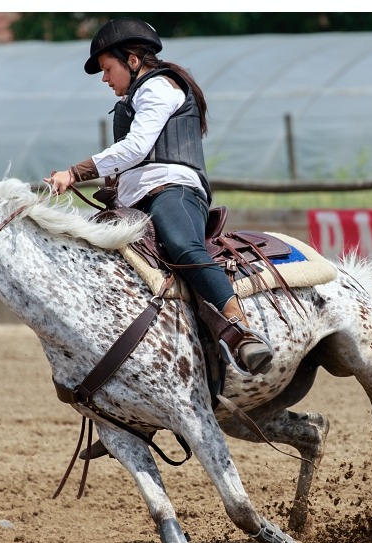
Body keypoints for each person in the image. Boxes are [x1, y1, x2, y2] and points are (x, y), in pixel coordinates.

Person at [45, 17, 272, 377]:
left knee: (182, 245)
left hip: (174, 191)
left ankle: (240, 327)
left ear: (133, 60)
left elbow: (135, 148)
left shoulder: (160, 88)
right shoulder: (138, 94)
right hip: (136, 201)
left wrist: (76, 172)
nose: (105, 79)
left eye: (107, 69)